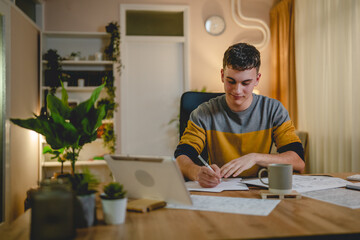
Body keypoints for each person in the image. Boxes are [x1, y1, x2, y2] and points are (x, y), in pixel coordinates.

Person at [174, 42, 305, 188]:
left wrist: (255, 158)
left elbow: (298, 161)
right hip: (219, 189)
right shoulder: (203, 113)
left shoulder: (274, 110)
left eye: (246, 83)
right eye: (231, 81)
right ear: (222, 76)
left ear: (257, 79)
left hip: (259, 189)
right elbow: (181, 159)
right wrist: (198, 172)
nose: (237, 90)